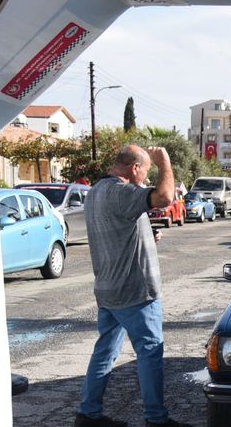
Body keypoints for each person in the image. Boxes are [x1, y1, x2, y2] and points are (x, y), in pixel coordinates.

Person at [75, 145, 191, 427]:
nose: (147, 176)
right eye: (147, 169)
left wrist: (147, 235)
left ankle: (88, 414)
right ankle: (156, 419)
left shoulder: (96, 192)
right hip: (135, 291)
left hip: (107, 289)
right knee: (150, 351)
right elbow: (164, 197)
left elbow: (118, 229)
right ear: (135, 167)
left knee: (105, 351)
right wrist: (165, 161)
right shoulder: (122, 191)